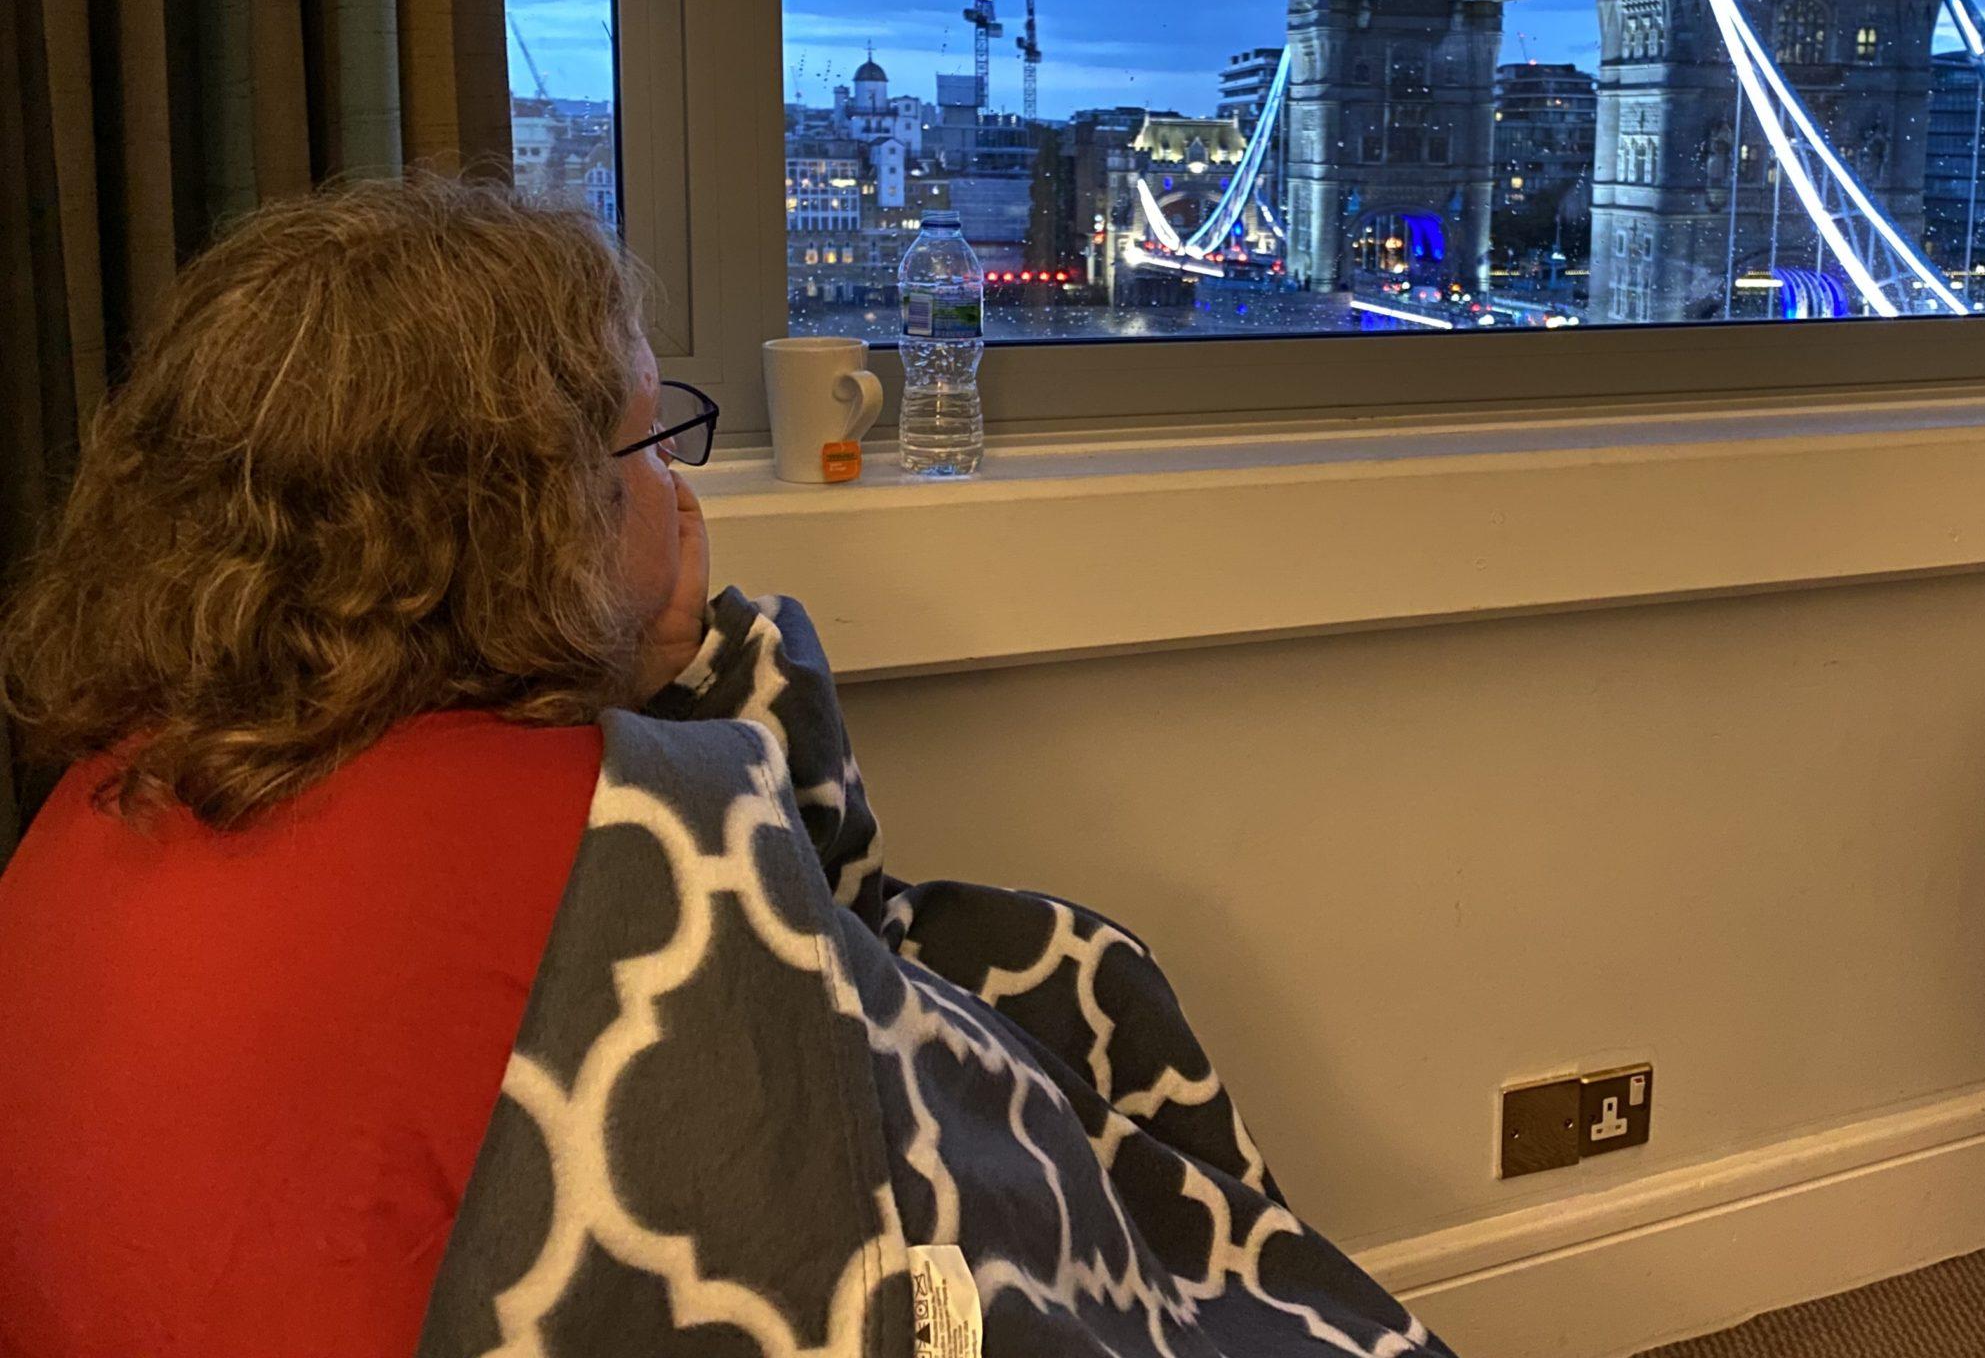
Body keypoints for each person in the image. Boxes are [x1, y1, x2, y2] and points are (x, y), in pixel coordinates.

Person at [0, 174, 1446, 1358]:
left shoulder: (97, 796)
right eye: (647, 443)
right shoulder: (627, 837)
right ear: (521, 511)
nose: (680, 488)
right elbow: (901, 1196)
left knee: (1065, 961)